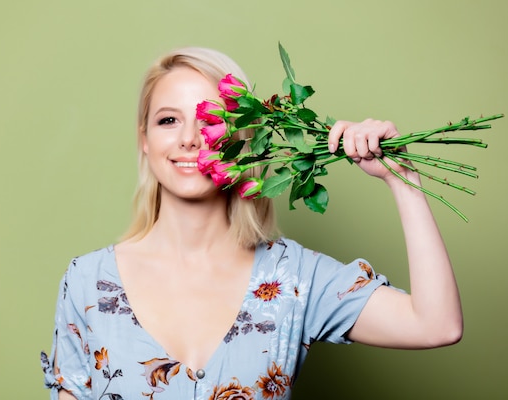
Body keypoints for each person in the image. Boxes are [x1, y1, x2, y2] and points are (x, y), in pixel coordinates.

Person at [41, 47, 463, 400]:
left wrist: (403, 180)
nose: (189, 137)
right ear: (145, 141)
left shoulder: (293, 277)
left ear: (243, 138)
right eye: (168, 120)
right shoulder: (87, 282)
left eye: (208, 119)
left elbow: (437, 324)